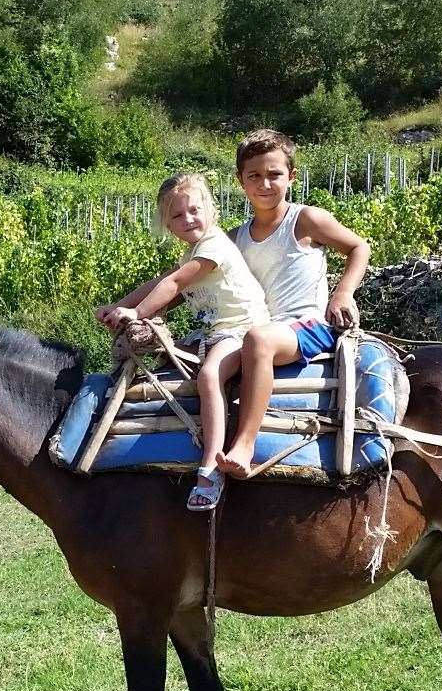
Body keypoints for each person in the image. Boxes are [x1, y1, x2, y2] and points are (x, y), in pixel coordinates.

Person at [95, 172, 271, 510]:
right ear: (168, 225)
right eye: (177, 215)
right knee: (162, 367)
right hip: (213, 331)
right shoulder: (193, 253)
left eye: (194, 209)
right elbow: (162, 282)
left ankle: (211, 467)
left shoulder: (214, 245)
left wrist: (137, 313)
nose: (188, 218)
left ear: (211, 210)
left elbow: (175, 284)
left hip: (242, 329)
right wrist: (120, 307)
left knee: (209, 376)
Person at [216, 129, 371, 478]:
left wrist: (342, 293)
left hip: (308, 326)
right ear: (241, 181)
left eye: (275, 174)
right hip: (257, 328)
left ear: (291, 176)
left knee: (258, 339)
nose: (265, 184)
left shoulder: (304, 219)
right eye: (254, 175)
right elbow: (184, 276)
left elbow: (359, 247)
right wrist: (140, 307)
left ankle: (245, 444)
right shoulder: (234, 238)